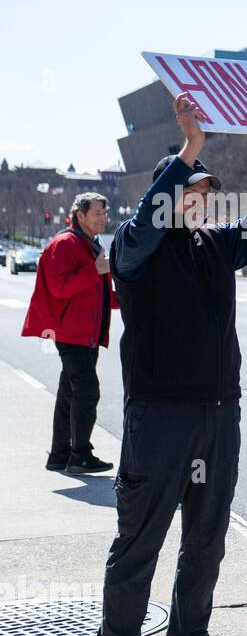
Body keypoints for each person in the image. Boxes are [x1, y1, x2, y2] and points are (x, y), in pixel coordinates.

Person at [93, 91, 247, 636]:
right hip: (159, 417)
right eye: (189, 190)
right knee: (139, 539)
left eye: (205, 192)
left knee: (207, 537)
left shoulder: (219, 245)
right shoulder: (137, 253)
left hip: (219, 416)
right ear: (167, 200)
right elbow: (140, 230)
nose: (200, 199)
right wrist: (189, 148)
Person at [21, 192, 119, 474]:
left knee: (70, 393)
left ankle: (60, 454)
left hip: (87, 334)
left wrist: (128, 299)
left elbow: (98, 293)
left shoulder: (91, 244)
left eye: (104, 212)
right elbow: (59, 288)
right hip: (71, 334)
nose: (103, 218)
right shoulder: (64, 244)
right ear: (80, 215)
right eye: (98, 213)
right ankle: (80, 455)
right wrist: (96, 269)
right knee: (87, 392)